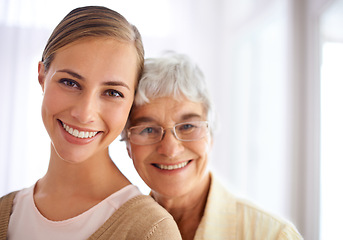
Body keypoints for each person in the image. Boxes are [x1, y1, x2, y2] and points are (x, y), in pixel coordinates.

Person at [0, 6, 181, 240]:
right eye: (70, 82)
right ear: (42, 76)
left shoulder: (151, 231)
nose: (85, 114)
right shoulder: (5, 211)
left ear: (132, 103)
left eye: (113, 93)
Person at [122, 52, 303, 240]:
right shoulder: (116, 232)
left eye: (188, 126)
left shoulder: (274, 235)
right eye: (148, 130)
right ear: (127, 145)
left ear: (211, 134)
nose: (170, 149)